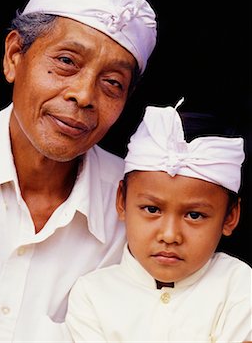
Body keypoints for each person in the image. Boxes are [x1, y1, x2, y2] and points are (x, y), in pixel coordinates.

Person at [0, 0, 157, 342]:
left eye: (112, 82)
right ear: (14, 56)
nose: (83, 95)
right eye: (66, 60)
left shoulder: (139, 212)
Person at [65, 99, 252, 342]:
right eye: (152, 209)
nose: (170, 235)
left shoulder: (239, 286)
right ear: (121, 200)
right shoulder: (92, 296)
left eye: (194, 215)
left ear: (230, 217)